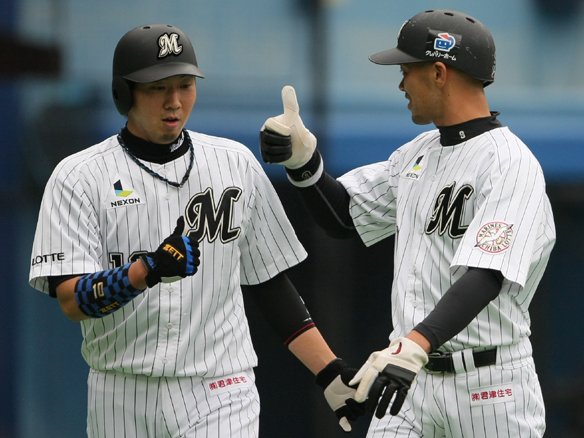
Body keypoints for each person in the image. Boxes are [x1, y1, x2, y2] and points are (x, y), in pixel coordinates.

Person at [28, 23, 364, 438]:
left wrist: (328, 371)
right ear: (124, 93)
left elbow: (270, 284)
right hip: (120, 392)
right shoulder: (79, 176)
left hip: (220, 390)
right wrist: (144, 272)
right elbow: (70, 300)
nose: (174, 101)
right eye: (158, 87)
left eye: (185, 85)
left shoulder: (235, 163)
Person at [259, 9, 555, 438]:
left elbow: (486, 276)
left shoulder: (510, 163)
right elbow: (344, 218)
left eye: (407, 70)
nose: (401, 84)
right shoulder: (417, 153)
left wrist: (414, 345)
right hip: (408, 381)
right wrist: (303, 164)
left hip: (489, 385)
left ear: (438, 72)